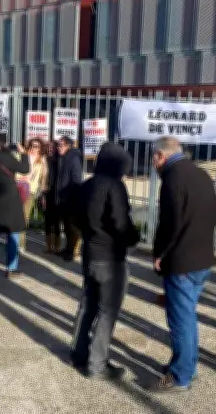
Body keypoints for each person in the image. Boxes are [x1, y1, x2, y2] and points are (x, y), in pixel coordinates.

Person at [148, 137, 216, 393]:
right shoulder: (201, 174)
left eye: (153, 158)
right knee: (187, 316)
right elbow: (215, 215)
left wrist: (160, 254)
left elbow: (169, 224)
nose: (153, 164)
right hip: (203, 258)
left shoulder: (172, 179)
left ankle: (181, 376)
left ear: (160, 156)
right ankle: (186, 364)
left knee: (181, 320)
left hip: (181, 261)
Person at [70, 143, 140, 380]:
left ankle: (78, 353)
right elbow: (121, 223)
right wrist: (133, 237)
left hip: (90, 253)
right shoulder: (114, 186)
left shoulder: (88, 184)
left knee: (87, 306)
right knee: (107, 312)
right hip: (111, 257)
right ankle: (97, 365)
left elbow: (76, 218)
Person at [0, 132, 29, 279]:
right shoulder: (7, 157)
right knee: (13, 233)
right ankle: (11, 268)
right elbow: (25, 169)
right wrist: (24, 154)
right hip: (10, 199)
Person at [18, 138, 48, 249]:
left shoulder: (42, 159)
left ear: (40, 148)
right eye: (31, 146)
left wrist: (43, 186)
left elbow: (44, 175)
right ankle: (14, 240)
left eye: (36, 146)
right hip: (18, 187)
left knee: (24, 216)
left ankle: (21, 243)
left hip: (30, 190)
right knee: (15, 215)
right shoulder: (23, 155)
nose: (33, 149)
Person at [55, 136, 83, 260]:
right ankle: (67, 249)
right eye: (58, 145)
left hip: (70, 200)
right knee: (66, 227)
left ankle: (71, 252)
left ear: (68, 146)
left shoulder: (74, 159)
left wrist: (70, 197)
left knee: (72, 228)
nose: (58, 148)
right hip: (63, 199)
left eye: (61, 145)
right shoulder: (63, 158)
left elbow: (76, 180)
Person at [43, 140, 62, 253]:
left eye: (52, 147)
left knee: (56, 222)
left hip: (57, 194)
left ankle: (57, 246)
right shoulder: (45, 160)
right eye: (49, 147)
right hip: (47, 192)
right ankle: (48, 245)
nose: (50, 149)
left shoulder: (59, 160)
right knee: (47, 221)